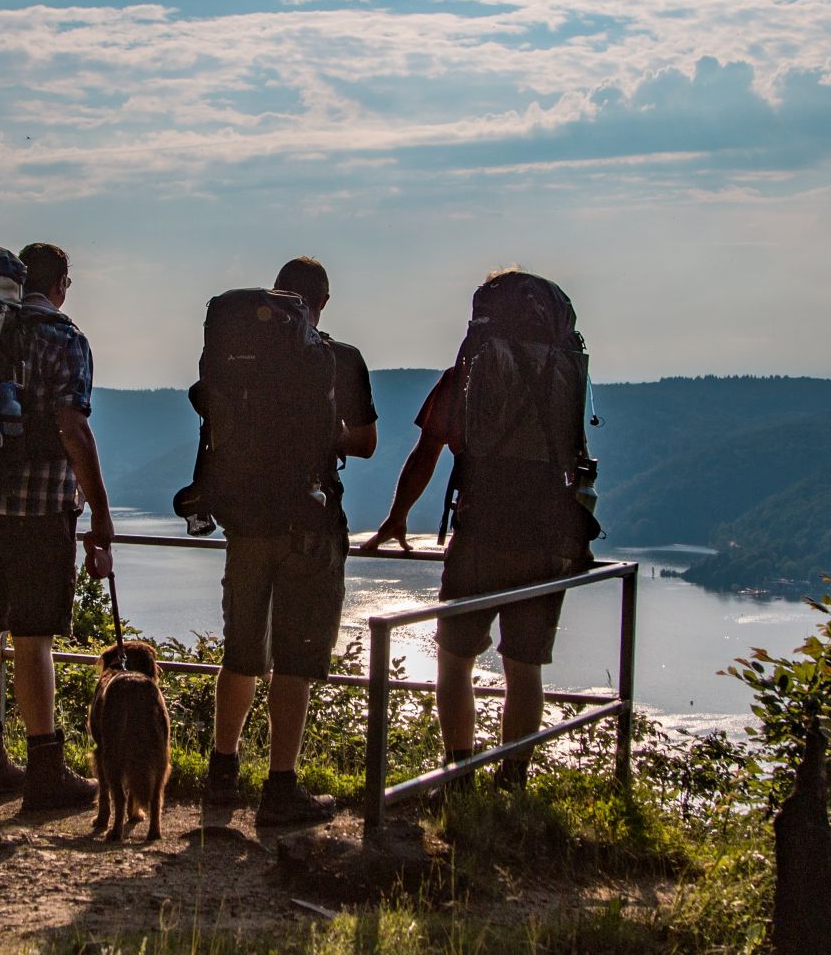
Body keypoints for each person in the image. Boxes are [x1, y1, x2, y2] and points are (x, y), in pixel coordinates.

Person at [362, 269, 595, 791]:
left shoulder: (467, 375)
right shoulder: (565, 374)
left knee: (455, 659)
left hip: (482, 529)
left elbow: (428, 451)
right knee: (524, 667)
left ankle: (459, 773)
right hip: (547, 531)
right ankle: (513, 778)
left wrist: (397, 518)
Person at [205, 256, 378, 825]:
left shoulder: (239, 355)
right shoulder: (340, 359)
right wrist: (328, 433)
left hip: (246, 519)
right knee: (295, 662)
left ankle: (221, 776)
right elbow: (367, 442)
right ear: (322, 301)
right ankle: (281, 789)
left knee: (242, 652)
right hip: (309, 522)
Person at [0, 242, 116, 810]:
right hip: (42, 509)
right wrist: (99, 511)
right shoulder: (64, 340)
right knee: (33, 638)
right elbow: (73, 428)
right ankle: (46, 767)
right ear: (61, 284)